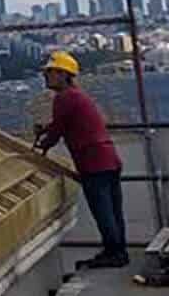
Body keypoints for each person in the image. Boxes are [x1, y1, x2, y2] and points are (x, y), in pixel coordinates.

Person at [35, 51, 128, 268]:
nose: (46, 77)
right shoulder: (76, 97)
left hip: (93, 162)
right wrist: (48, 131)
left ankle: (114, 253)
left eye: (51, 72)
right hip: (107, 159)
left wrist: (43, 144)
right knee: (113, 209)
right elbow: (64, 123)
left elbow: (58, 130)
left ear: (64, 75)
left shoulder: (64, 98)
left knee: (102, 209)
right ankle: (118, 250)